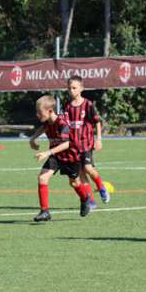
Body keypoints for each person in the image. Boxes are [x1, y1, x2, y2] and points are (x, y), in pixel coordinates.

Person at [29, 95, 91, 222]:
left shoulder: (62, 123)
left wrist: (47, 152)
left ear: (50, 111)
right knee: (42, 177)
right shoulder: (47, 122)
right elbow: (43, 127)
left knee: (74, 183)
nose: (37, 115)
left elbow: (67, 144)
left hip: (70, 156)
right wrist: (33, 138)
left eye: (39, 112)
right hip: (56, 156)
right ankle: (44, 211)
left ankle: (85, 198)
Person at [63, 76, 110, 210]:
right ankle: (90, 200)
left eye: (74, 88)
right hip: (73, 146)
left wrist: (99, 139)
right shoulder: (67, 105)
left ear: (81, 89)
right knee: (81, 174)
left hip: (86, 144)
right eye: (69, 88)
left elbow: (97, 122)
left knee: (88, 168)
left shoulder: (88, 105)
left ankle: (101, 187)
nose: (71, 90)